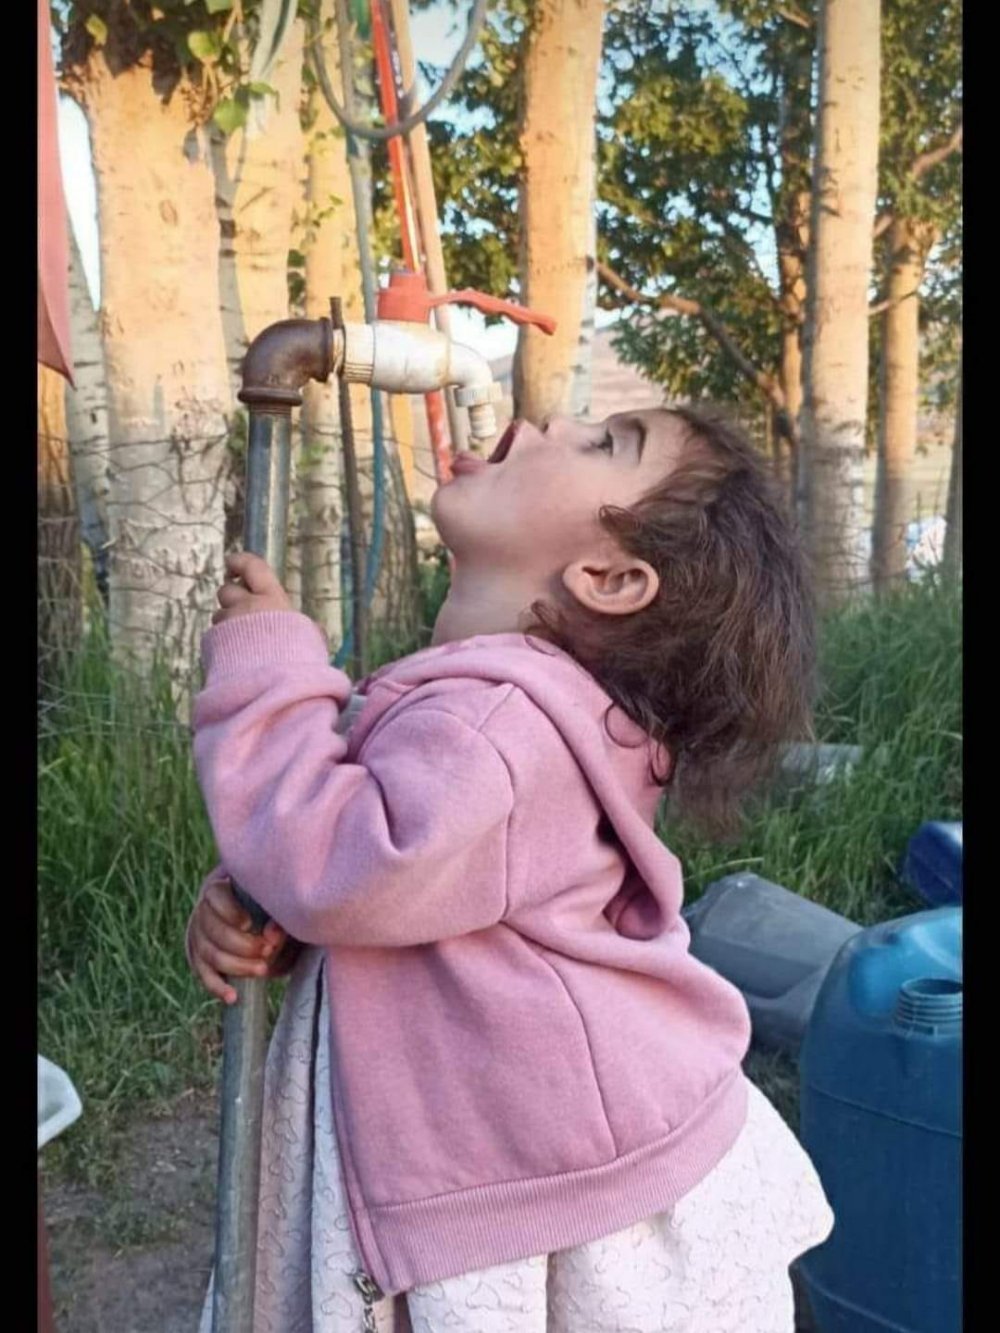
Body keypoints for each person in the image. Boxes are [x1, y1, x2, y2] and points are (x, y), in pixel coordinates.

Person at [188, 407, 833, 1332]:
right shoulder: (512, 704)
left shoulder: (498, 724)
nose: (544, 421)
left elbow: (341, 864)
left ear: (609, 577)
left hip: (517, 1172)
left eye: (604, 443)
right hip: (517, 1129)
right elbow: (386, 878)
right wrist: (270, 901)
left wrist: (268, 672)